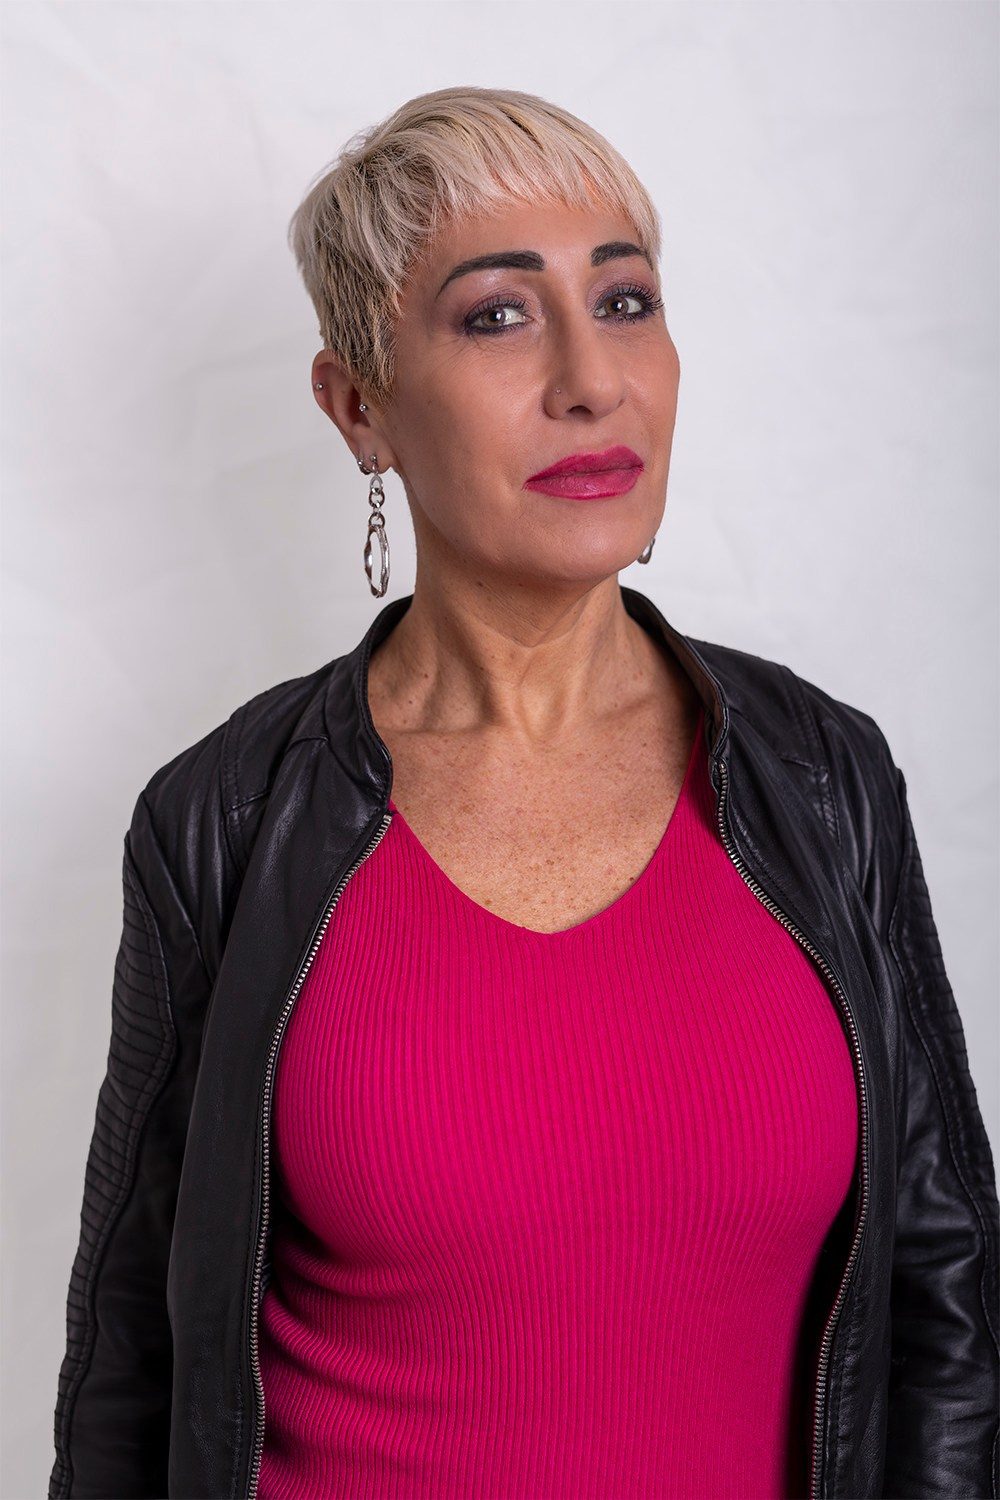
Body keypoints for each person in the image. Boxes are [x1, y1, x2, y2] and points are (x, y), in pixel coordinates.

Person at [49, 87, 997, 1500]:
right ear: (359, 406)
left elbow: (946, 1305)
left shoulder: (823, 776)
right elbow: (132, 1364)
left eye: (625, 301)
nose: (591, 379)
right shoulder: (225, 821)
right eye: (497, 316)